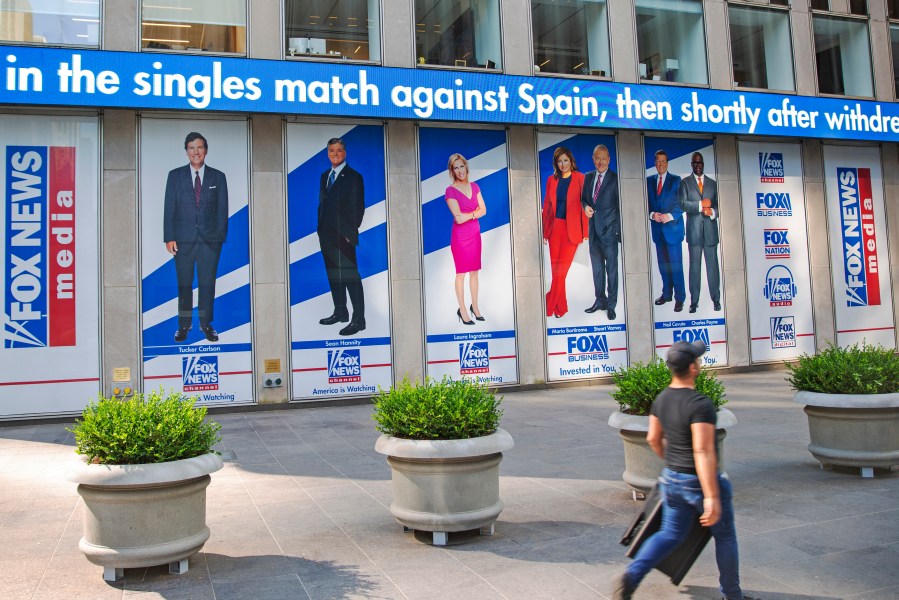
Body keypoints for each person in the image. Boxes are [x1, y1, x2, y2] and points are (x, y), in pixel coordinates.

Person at [613, 340, 759, 600]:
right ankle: (733, 595)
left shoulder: (662, 399)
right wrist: (712, 497)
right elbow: (703, 451)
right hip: (699, 483)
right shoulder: (700, 405)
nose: (700, 364)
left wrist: (674, 463)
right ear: (693, 368)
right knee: (725, 537)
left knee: (670, 534)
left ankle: (632, 575)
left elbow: (654, 439)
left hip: (671, 479)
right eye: (698, 361)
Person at [164, 132, 228, 343]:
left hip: (210, 241)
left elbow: (222, 210)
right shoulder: (175, 176)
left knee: (207, 284)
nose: (196, 152)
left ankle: (205, 324)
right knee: (184, 284)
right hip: (182, 240)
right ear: (186, 151)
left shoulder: (218, 177)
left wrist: (219, 237)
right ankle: (184, 325)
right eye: (191, 148)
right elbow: (169, 208)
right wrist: (169, 237)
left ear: (206, 150)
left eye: (199, 147)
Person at [317, 137, 366, 336]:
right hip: (326, 234)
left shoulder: (354, 177)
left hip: (343, 236)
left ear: (344, 153)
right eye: (331, 151)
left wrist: (350, 233)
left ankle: (358, 319)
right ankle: (340, 311)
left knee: (350, 276)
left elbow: (358, 207)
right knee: (333, 275)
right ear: (328, 154)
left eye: (338, 151)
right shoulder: (324, 176)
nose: (335, 154)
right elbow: (323, 204)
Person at [542, 147, 588, 318]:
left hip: (572, 230)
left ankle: (549, 304)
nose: (563, 164)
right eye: (560, 161)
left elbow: (584, 205)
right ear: (556, 163)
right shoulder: (551, 180)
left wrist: (586, 231)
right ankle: (561, 307)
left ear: (571, 161)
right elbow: (547, 206)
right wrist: (545, 231)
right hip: (555, 229)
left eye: (566, 160)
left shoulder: (580, 178)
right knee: (556, 271)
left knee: (562, 271)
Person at [445, 153, 486, 325]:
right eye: (456, 167)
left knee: (475, 272)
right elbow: (457, 216)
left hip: (475, 234)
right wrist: (475, 213)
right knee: (461, 273)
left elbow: (484, 210)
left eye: (461, 166)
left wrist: (470, 215)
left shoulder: (475, 187)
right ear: (452, 171)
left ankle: (475, 307)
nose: (460, 170)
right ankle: (462, 310)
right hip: (460, 237)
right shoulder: (450, 190)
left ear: (466, 167)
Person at [581, 144, 621, 321]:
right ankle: (600, 300)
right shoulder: (588, 177)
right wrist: (585, 207)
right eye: (597, 158)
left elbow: (620, 207)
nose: (600, 162)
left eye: (604, 158)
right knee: (597, 270)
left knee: (611, 271)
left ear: (609, 160)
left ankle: (611, 306)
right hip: (593, 233)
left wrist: (618, 233)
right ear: (593, 159)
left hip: (609, 233)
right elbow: (583, 199)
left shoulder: (615, 179)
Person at [679, 152, 721, 314]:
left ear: (703, 164)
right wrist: (699, 205)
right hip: (694, 233)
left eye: (700, 163)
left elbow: (718, 205)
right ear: (691, 164)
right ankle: (693, 302)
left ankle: (716, 300)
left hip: (710, 232)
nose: (698, 165)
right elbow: (682, 204)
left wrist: (712, 211)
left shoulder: (713, 184)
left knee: (713, 268)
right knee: (694, 268)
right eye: (695, 163)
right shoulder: (685, 183)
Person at [647, 149, 685, 312]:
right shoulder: (649, 181)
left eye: (663, 161)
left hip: (673, 231)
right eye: (658, 161)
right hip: (658, 232)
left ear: (667, 163)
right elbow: (646, 203)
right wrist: (652, 214)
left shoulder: (676, 180)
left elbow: (682, 204)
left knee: (676, 266)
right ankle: (667, 294)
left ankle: (680, 298)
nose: (660, 164)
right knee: (663, 266)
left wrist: (669, 216)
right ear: (654, 163)